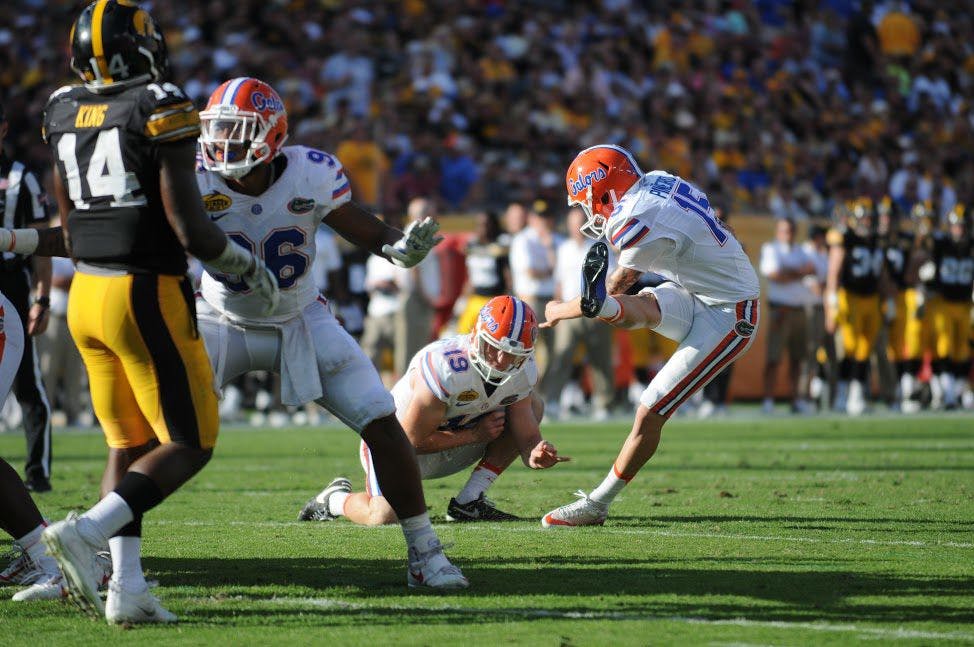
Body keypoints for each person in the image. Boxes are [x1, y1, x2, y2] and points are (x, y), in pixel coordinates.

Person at [0, 1, 278, 624]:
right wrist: (243, 266)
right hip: (143, 294)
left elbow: (72, 229)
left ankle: (126, 590)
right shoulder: (160, 102)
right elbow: (190, 227)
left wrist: (15, 241)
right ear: (142, 46)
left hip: (87, 301)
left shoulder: (60, 107)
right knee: (191, 442)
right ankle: (86, 533)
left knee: (129, 443)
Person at [194, 76, 466, 588]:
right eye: (219, 128)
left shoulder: (311, 172)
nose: (223, 142)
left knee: (381, 420)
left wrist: (397, 246)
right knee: (160, 429)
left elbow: (364, 227)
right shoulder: (194, 176)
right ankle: (111, 551)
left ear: (273, 135)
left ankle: (425, 553)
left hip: (301, 317)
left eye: (238, 129)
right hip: (218, 317)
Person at [539, 145, 760, 527]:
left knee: (651, 407)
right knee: (638, 308)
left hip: (730, 313)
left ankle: (598, 504)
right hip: (700, 291)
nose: (587, 211)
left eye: (586, 201)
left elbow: (620, 282)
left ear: (604, 189)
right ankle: (596, 305)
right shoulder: (659, 181)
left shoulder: (637, 216)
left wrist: (558, 310)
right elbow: (719, 223)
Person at [298, 296, 565, 526]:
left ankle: (469, 501)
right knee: (382, 516)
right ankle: (333, 500)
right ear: (475, 335)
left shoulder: (522, 371)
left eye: (513, 354)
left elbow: (527, 435)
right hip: (393, 446)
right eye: (494, 348)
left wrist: (535, 452)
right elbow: (408, 441)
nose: (502, 361)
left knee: (533, 404)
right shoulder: (447, 367)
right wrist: (473, 436)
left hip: (454, 439)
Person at [0, 101, 53, 492]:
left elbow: (41, 242)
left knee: (26, 381)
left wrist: (43, 297)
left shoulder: (21, 177)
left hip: (11, 281)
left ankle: (37, 472)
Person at [543, 207, 614, 420]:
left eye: (580, 223)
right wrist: (557, 310)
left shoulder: (600, 247)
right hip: (569, 312)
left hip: (596, 312)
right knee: (561, 357)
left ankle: (604, 405)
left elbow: (611, 282)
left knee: (600, 359)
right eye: (573, 224)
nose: (577, 228)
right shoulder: (563, 248)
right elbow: (559, 283)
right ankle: (553, 402)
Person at [824, 198, 884, 415]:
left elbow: (881, 273)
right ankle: (842, 395)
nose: (868, 222)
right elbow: (834, 270)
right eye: (864, 218)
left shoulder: (877, 239)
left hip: (872, 298)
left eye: (870, 218)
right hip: (851, 297)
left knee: (865, 347)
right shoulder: (845, 239)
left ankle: (856, 395)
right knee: (850, 347)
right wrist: (831, 299)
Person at [758, 218, 816, 414]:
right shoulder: (771, 248)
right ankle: (768, 399)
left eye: (791, 230)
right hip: (780, 309)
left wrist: (789, 272)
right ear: (778, 231)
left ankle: (796, 398)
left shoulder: (800, 250)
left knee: (797, 358)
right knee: (773, 357)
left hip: (799, 309)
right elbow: (774, 275)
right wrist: (798, 273)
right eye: (784, 230)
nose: (788, 233)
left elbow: (810, 269)